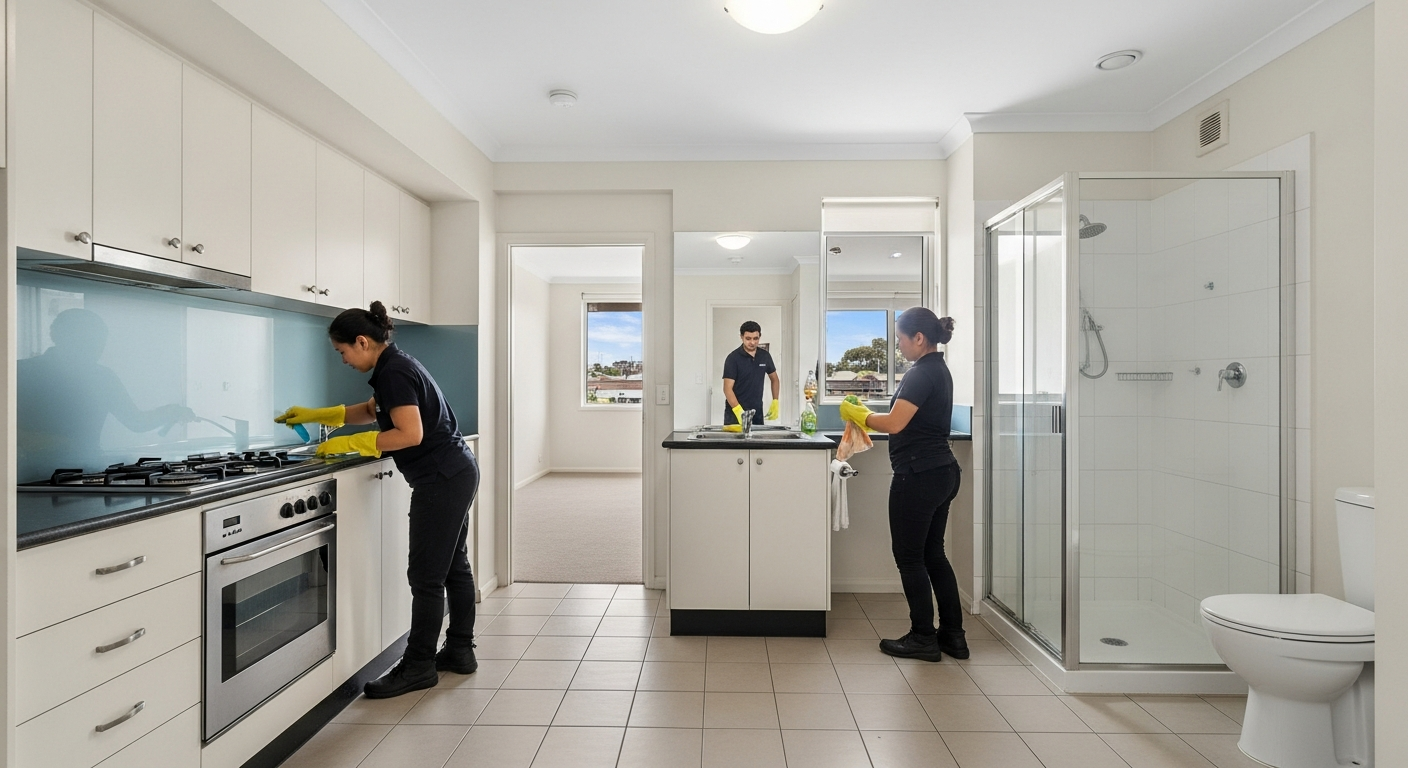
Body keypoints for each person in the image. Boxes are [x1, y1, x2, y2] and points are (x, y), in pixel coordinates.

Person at [276, 301, 480, 698]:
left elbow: (409, 434)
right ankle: (459, 650)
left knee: (425, 577)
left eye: (343, 352)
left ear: (362, 341)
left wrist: (351, 444)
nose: (344, 360)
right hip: (455, 471)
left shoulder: (395, 372)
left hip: (441, 478)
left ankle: (419, 665)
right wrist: (321, 415)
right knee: (453, 566)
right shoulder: (396, 366)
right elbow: (373, 411)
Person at [839, 308, 966, 662]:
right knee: (933, 555)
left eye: (900, 339)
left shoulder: (921, 373)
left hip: (919, 475)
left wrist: (859, 415)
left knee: (909, 557)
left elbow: (895, 423)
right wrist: (864, 410)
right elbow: (909, 417)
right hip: (943, 471)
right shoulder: (938, 370)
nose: (899, 345)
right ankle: (953, 637)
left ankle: (923, 637)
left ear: (919, 339)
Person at [17, 308, 193, 479]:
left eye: (99, 341)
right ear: (59, 337)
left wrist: (172, 411)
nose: (96, 348)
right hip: (28, 475)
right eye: (88, 340)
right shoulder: (21, 372)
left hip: (88, 474)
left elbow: (136, 422)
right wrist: (61, 443)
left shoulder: (102, 376)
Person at [722, 320, 780, 429]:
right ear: (741, 337)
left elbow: (775, 379)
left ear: (759, 336)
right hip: (735, 413)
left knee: (757, 444)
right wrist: (738, 411)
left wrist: (775, 401)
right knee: (736, 445)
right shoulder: (733, 358)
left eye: (755, 338)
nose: (752, 342)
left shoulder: (765, 356)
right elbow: (727, 388)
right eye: (748, 338)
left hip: (756, 412)